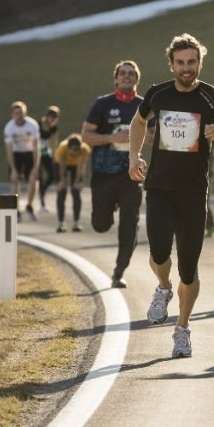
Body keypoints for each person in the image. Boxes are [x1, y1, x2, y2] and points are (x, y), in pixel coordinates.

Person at [129, 33, 214, 358]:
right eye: (180, 63)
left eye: (192, 62)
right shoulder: (157, 94)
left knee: (189, 269)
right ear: (171, 64)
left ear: (200, 62)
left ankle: (182, 329)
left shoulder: (211, 96)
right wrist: (133, 157)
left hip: (193, 192)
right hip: (159, 187)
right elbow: (138, 121)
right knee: (159, 254)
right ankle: (163, 288)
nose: (186, 68)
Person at [81, 60, 144, 289]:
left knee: (129, 224)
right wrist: (112, 138)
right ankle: (108, 209)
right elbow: (85, 135)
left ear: (137, 79)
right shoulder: (102, 104)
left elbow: (156, 133)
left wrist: (141, 136)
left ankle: (119, 272)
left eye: (131, 74)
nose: (127, 76)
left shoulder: (143, 105)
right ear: (116, 78)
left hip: (132, 174)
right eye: (123, 73)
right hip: (103, 173)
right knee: (100, 224)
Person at [4, 101, 40, 222]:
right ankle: (15, 210)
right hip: (16, 154)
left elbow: (36, 147)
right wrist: (13, 169)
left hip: (29, 153)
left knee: (33, 179)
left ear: (25, 112)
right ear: (12, 114)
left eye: (21, 112)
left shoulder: (32, 125)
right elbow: (8, 150)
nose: (19, 115)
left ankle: (29, 205)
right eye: (16, 113)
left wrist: (36, 166)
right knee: (14, 181)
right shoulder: (9, 127)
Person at [54, 133, 91, 233]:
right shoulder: (62, 149)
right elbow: (61, 166)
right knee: (61, 191)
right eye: (73, 151)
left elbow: (81, 166)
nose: (75, 153)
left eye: (77, 151)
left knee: (76, 191)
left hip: (76, 166)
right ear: (68, 148)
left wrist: (78, 181)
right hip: (62, 165)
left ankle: (76, 222)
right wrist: (62, 181)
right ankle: (61, 223)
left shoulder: (85, 149)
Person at [38, 106, 61, 212]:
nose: (52, 120)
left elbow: (54, 141)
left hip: (45, 152)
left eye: (54, 118)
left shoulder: (53, 127)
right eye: (51, 117)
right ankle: (41, 202)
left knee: (52, 175)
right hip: (35, 153)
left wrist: (55, 155)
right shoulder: (38, 124)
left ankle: (43, 191)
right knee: (40, 178)